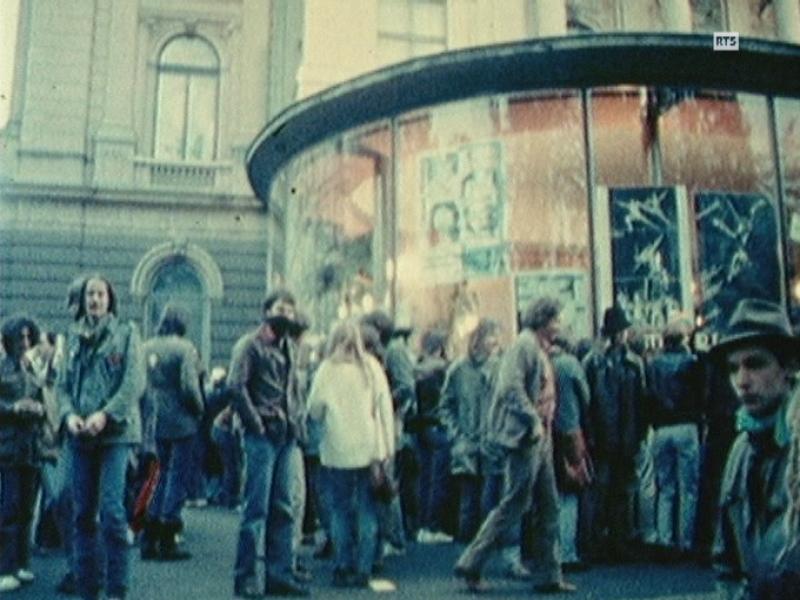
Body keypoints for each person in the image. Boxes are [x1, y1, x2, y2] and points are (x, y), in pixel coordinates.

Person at [454, 297, 575, 594]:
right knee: (513, 504)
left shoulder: (537, 348)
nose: (559, 325)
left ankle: (550, 574)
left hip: (538, 438)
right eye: (556, 319)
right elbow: (510, 386)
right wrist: (532, 419)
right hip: (526, 438)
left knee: (549, 506)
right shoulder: (524, 346)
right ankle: (471, 561)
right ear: (544, 320)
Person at [56, 275, 145, 600]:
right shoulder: (72, 337)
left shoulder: (126, 333)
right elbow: (62, 385)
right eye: (89, 295)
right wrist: (68, 416)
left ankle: (117, 591)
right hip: (81, 436)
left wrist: (105, 415)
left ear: (110, 299)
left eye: (100, 294)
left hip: (116, 435)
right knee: (80, 512)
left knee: (111, 511)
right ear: (82, 301)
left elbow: (133, 382)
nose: (94, 300)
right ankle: (87, 589)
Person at [710, 299, 798, 599]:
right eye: (733, 368)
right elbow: (726, 561)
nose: (742, 381)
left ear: (787, 367)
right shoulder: (741, 449)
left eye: (755, 364)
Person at [229, 289, 308, 598]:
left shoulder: (290, 347)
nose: (285, 314)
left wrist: (295, 425)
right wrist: (256, 423)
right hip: (261, 435)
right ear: (266, 311)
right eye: (279, 308)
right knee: (255, 508)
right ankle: (245, 576)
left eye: (290, 309)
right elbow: (236, 387)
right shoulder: (250, 345)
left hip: (285, 436)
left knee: (283, 507)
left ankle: (279, 574)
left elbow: (292, 392)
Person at [307, 319, 394, 588]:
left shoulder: (326, 370)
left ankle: (343, 566)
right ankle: (364, 568)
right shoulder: (371, 367)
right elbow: (384, 409)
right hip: (368, 449)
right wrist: (387, 448)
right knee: (367, 510)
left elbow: (314, 410)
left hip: (336, 450)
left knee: (340, 509)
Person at [582, 305, 647, 563]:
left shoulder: (631, 363)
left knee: (621, 491)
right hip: (605, 435)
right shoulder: (595, 362)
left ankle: (618, 541)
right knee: (602, 491)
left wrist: (638, 434)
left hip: (623, 435)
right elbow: (588, 403)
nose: (622, 335)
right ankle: (599, 542)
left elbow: (641, 401)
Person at [140, 305, 204, 561]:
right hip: (180, 420)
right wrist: (199, 409)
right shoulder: (185, 348)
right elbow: (189, 386)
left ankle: (148, 533)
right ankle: (168, 535)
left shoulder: (146, 347)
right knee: (177, 477)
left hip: (153, 419)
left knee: (155, 475)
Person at [439, 318, 501, 543]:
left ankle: (483, 547)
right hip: (467, 442)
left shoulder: (498, 367)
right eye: (489, 338)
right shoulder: (458, 370)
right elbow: (445, 405)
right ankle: (466, 549)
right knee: (468, 500)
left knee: (489, 499)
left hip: (491, 442)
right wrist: (456, 435)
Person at [647, 320, 702, 560]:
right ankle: (686, 540)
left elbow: (649, 395)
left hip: (661, 427)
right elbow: (700, 394)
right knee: (689, 487)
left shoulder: (654, 365)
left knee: (665, 486)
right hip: (686, 424)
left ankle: (664, 537)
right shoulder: (692, 364)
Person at [0, 315, 46, 593]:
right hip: (7, 447)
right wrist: (13, 408)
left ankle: (20, 562)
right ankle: (5, 566)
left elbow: (42, 399)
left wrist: (39, 409)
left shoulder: (29, 367)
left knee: (27, 509)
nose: (25, 343)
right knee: (8, 508)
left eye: (28, 337)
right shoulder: (2, 369)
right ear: (9, 340)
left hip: (30, 446)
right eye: (20, 338)